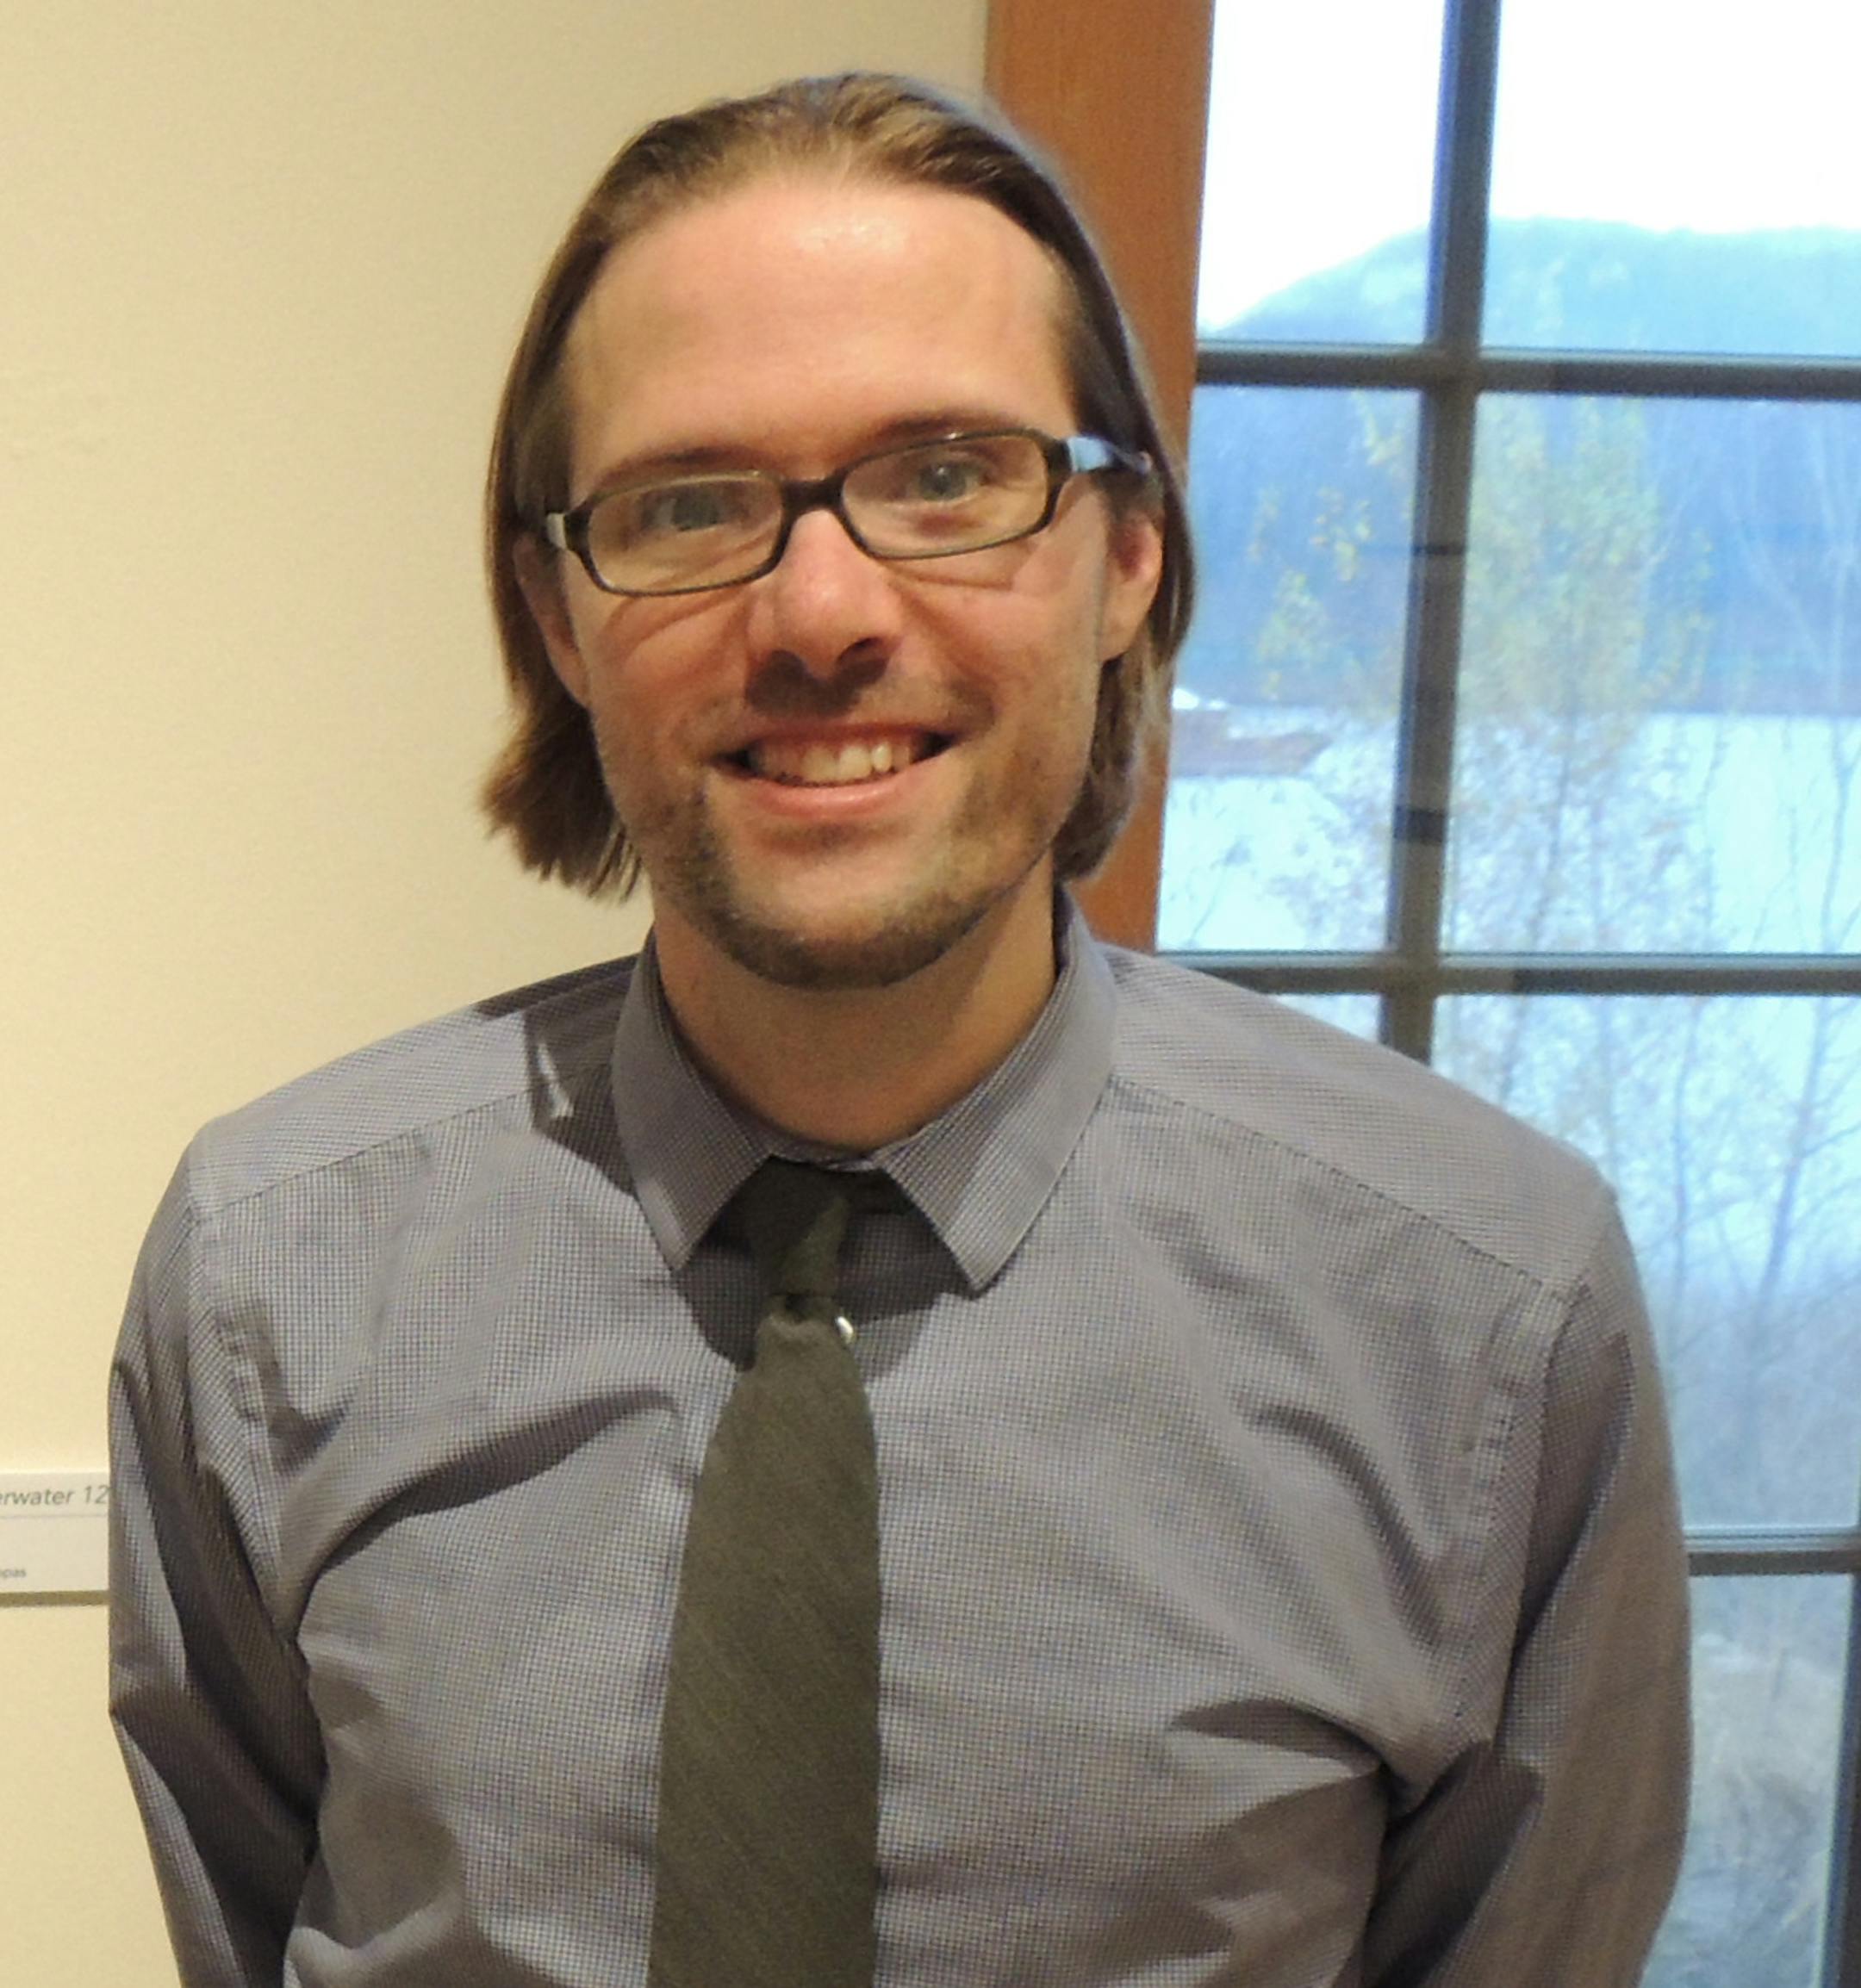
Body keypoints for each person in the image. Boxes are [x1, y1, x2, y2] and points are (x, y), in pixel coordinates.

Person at [109, 71, 1690, 1988]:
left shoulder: (1488, 1323)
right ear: (553, 613)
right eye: (690, 503)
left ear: (1126, 557)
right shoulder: (271, 1279)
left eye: (947, 475)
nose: (822, 608)